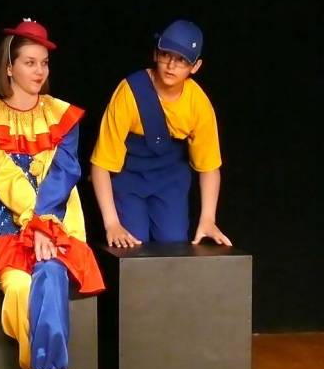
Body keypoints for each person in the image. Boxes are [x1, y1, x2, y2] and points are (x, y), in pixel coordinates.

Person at [0, 18, 104, 369]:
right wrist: (33, 224)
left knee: (52, 272)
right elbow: (5, 178)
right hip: (7, 226)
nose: (39, 71)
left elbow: (65, 171)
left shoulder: (63, 115)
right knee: (21, 287)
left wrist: (45, 225)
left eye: (44, 63)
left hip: (57, 221)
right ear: (9, 67)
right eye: (29, 62)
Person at [90, 19, 232, 248]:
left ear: (195, 66)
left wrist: (208, 219)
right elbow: (100, 164)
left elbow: (209, 167)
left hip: (170, 180)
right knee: (132, 246)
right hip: (129, 178)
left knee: (173, 245)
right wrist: (112, 223)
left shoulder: (198, 103)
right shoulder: (130, 92)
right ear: (156, 54)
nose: (171, 65)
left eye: (182, 60)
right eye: (166, 55)